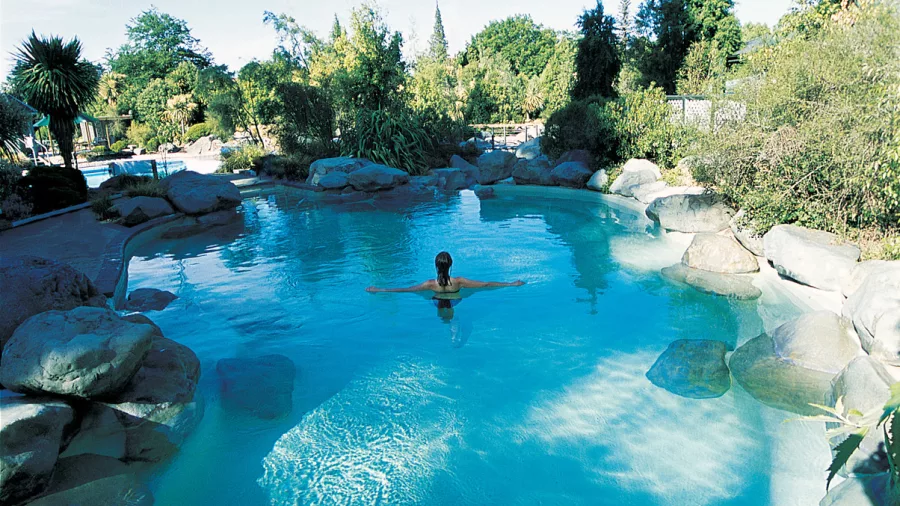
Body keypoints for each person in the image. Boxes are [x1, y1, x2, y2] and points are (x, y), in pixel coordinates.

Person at [365, 251, 525, 294]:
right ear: (451, 265)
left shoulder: (430, 284)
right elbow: (486, 284)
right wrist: (511, 284)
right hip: (455, 298)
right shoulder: (459, 282)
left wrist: (379, 289)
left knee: (442, 313)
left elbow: (406, 290)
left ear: (436, 266)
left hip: (436, 299)